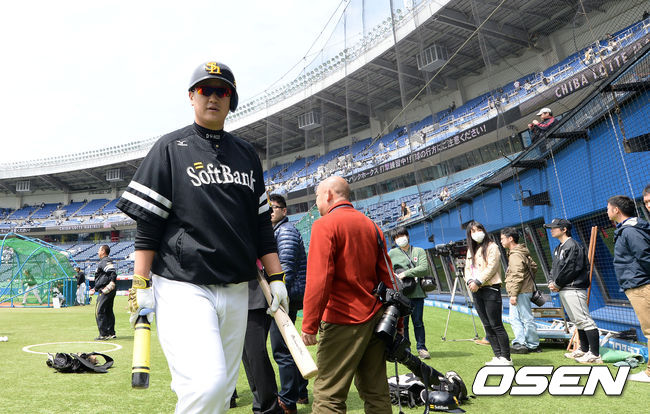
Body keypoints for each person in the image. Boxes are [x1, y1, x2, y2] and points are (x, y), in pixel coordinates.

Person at [116, 60, 288, 413]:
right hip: (184, 285)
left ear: (231, 100)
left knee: (221, 396)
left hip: (237, 287)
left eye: (222, 91)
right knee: (206, 386)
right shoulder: (169, 147)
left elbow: (261, 227)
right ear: (191, 96)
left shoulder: (246, 154)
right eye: (205, 89)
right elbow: (148, 225)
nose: (213, 97)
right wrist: (141, 282)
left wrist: (277, 277)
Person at [301, 176, 395, 414]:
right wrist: (398, 323)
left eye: (317, 197)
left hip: (341, 318)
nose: (316, 203)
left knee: (329, 395)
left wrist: (309, 325)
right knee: (377, 393)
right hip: (376, 319)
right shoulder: (372, 225)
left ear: (328, 195)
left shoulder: (324, 225)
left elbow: (319, 280)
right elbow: (389, 278)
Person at [269, 194, 309, 412]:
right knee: (291, 346)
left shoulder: (285, 231)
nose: (270, 212)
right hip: (289, 295)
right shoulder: (278, 230)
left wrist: (277, 296)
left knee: (282, 349)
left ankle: (287, 400)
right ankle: (300, 392)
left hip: (287, 296)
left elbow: (286, 268)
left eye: (274, 208)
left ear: (284, 211)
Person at [545, 218, 601, 364]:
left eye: (554, 227)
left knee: (585, 320)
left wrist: (557, 283)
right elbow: (555, 268)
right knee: (577, 321)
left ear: (564, 229)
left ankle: (595, 355)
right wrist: (551, 281)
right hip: (564, 288)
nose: (551, 230)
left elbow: (571, 268)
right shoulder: (559, 247)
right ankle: (584, 350)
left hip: (574, 288)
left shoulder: (573, 246)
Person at [606, 195, 650, 382]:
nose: (607, 211)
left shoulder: (630, 231)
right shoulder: (627, 229)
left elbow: (645, 256)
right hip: (638, 284)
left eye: (608, 208)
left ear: (616, 210)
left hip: (641, 285)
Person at [464, 221, 511, 365]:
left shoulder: (492, 246)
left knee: (496, 324)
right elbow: (467, 269)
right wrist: (470, 281)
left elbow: (492, 267)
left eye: (479, 229)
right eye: (473, 231)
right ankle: (497, 355)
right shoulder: (471, 250)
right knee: (487, 325)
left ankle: (506, 357)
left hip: (490, 289)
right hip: (476, 290)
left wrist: (478, 281)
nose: (477, 233)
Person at [242, 278, 283, 414]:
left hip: (254, 298)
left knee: (255, 356)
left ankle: (271, 409)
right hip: (234, 298)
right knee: (248, 358)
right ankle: (260, 407)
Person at [388, 227, 430, 359]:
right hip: (401, 295)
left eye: (402, 235)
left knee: (418, 322)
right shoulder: (392, 253)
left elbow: (424, 268)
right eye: (397, 237)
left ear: (407, 236)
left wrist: (405, 273)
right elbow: (388, 271)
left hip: (417, 293)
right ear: (394, 240)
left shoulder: (419, 251)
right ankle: (405, 349)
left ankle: (422, 348)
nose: (400, 239)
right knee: (403, 324)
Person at [500, 227, 540, 354]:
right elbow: (534, 266)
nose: (501, 241)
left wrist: (514, 294)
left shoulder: (515, 254)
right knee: (515, 318)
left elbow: (517, 275)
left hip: (520, 291)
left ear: (510, 239)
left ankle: (532, 344)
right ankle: (521, 343)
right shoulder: (521, 252)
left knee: (525, 318)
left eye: (502, 238)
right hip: (522, 290)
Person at [88, 245, 117, 340]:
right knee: (108, 311)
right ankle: (111, 332)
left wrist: (112, 282)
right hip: (107, 289)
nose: (98, 252)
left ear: (103, 251)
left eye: (99, 250)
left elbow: (112, 272)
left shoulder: (104, 261)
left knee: (99, 311)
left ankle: (104, 334)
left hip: (106, 289)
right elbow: (103, 278)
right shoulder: (105, 261)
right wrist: (95, 289)